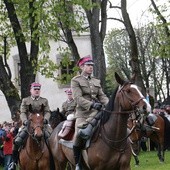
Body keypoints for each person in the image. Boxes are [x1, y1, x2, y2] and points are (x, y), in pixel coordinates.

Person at [71, 55, 109, 170]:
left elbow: (102, 96)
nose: (91, 67)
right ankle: (78, 163)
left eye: (92, 65)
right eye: (88, 65)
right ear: (82, 66)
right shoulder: (76, 80)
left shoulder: (96, 81)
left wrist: (109, 105)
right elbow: (77, 98)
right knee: (78, 135)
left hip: (97, 112)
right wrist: (92, 104)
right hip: (83, 114)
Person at [9, 82, 52, 170]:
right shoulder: (25, 100)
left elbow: (48, 111)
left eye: (38, 89)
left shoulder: (44, 100)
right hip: (29, 125)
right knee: (17, 140)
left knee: (51, 141)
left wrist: (46, 119)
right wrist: (24, 121)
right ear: (31, 90)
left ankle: (53, 161)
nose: (37, 91)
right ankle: (13, 162)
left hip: (42, 124)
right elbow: (23, 112)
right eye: (35, 89)